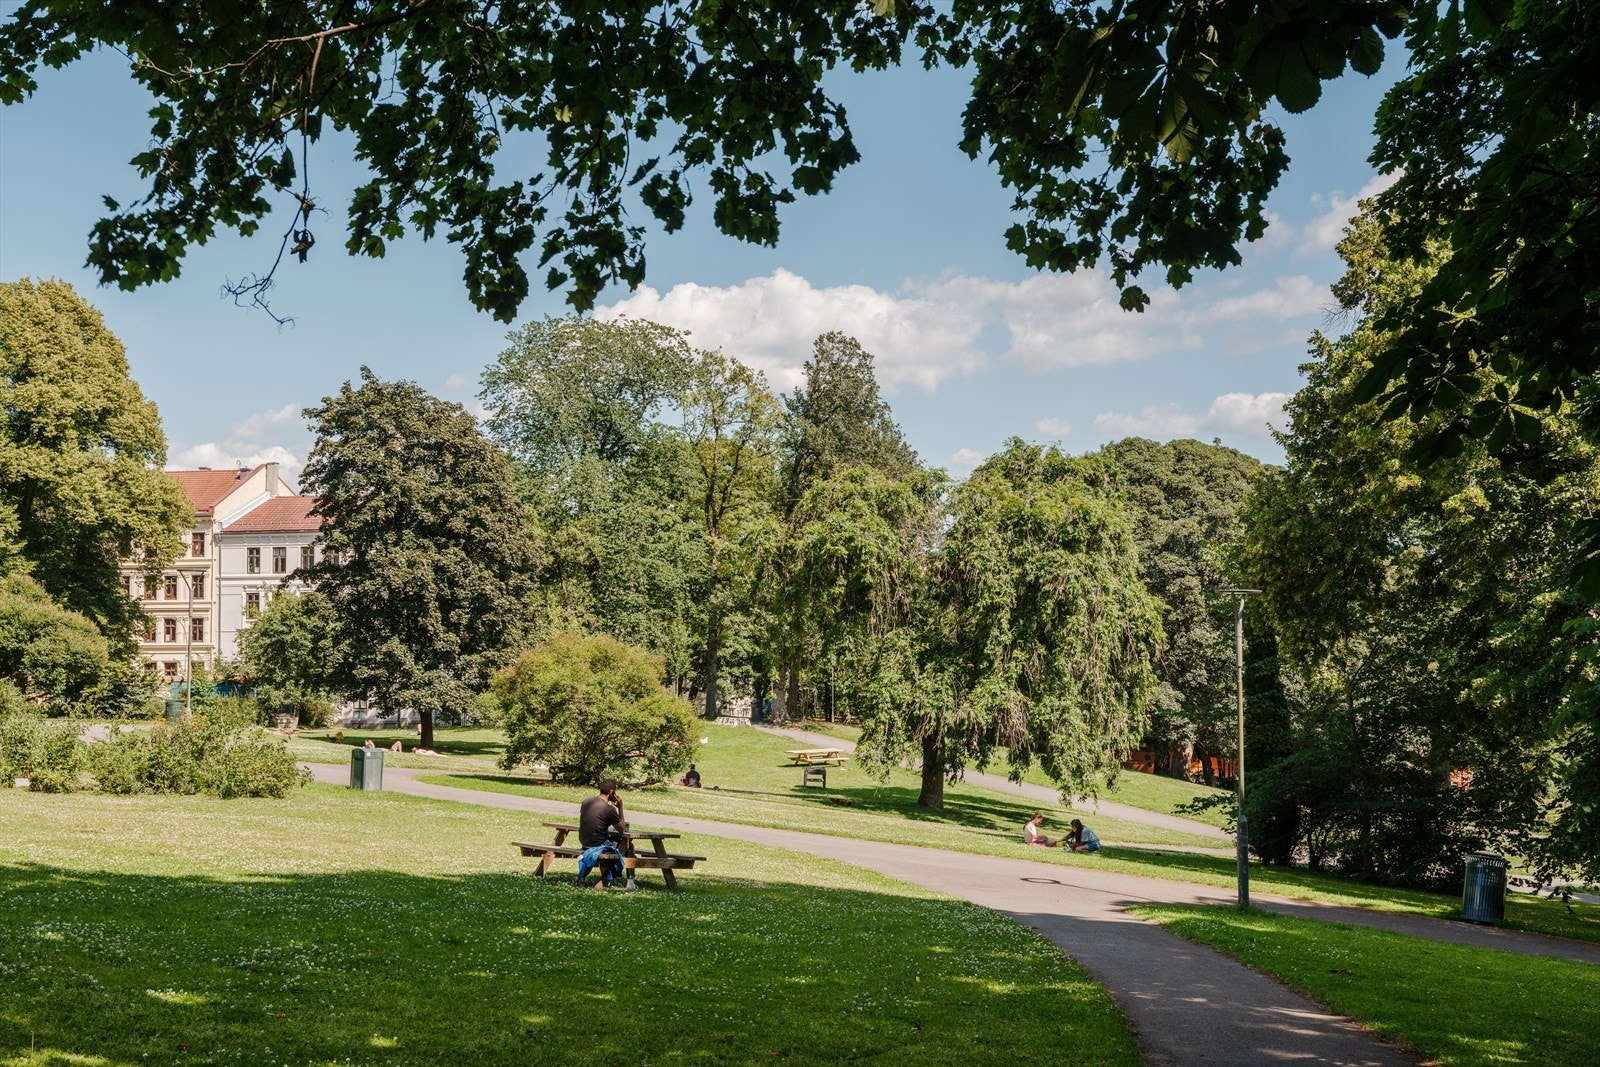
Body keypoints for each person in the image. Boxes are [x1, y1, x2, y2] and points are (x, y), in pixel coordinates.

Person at [576, 779, 628, 887]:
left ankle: (607, 878)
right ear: (611, 792)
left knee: (610, 844)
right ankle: (608, 879)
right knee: (626, 845)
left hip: (585, 842)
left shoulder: (587, 801)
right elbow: (622, 829)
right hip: (597, 844)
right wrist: (620, 808)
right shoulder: (609, 809)